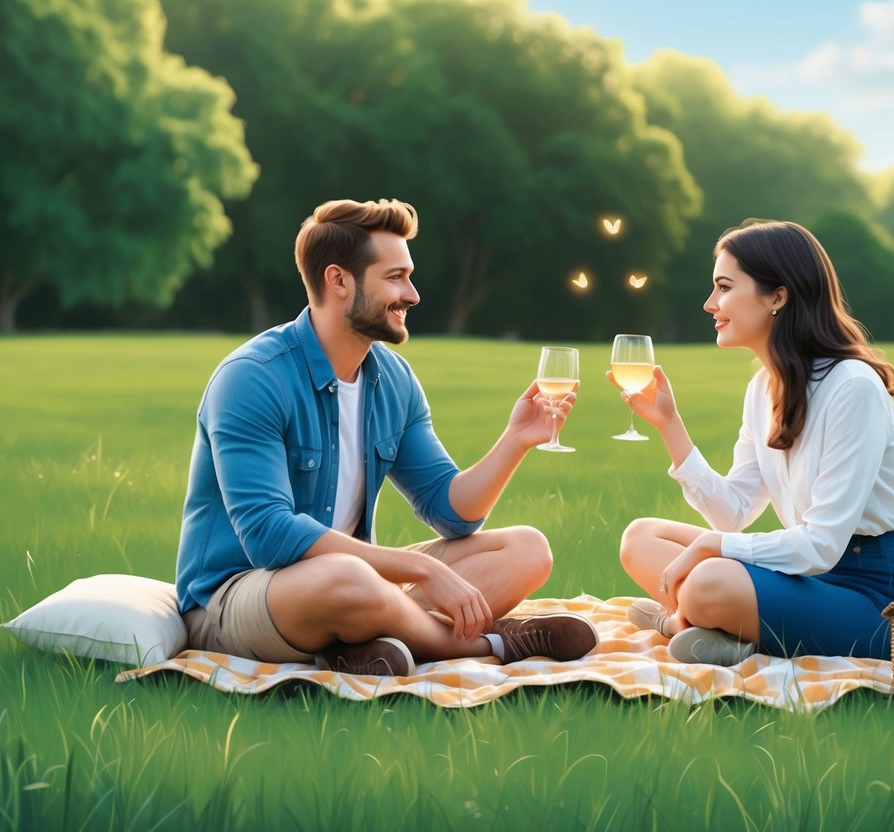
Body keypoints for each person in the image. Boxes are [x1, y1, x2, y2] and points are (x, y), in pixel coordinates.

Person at [176, 197, 597, 676]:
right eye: (395, 277)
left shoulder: (392, 380)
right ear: (339, 281)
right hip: (234, 597)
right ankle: (486, 646)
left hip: (349, 583)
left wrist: (516, 439)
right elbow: (269, 536)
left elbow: (451, 512)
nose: (413, 294)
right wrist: (422, 569)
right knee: (346, 576)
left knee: (527, 549)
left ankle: (367, 644)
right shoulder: (253, 378)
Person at [612, 219, 894, 665]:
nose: (710, 304)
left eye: (724, 287)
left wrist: (713, 548)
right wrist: (670, 426)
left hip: (881, 599)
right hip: (804, 575)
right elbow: (732, 513)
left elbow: (823, 545)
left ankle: (680, 623)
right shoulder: (763, 390)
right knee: (640, 538)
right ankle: (719, 629)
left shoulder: (852, 387)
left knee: (709, 580)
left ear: (778, 297)